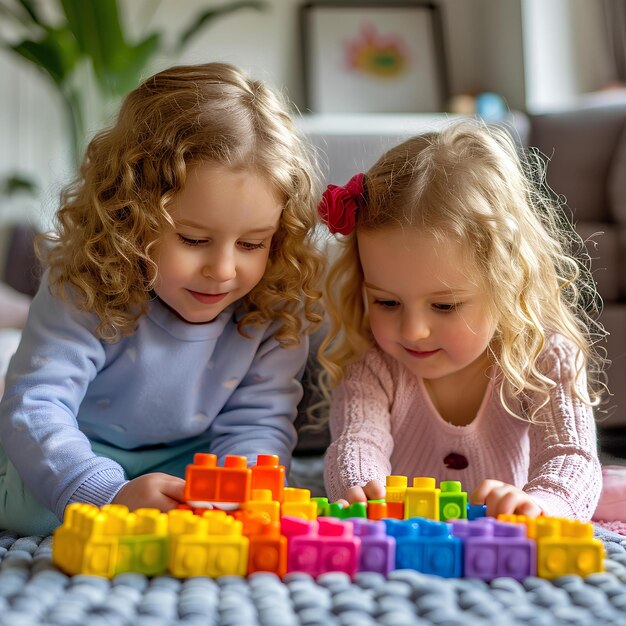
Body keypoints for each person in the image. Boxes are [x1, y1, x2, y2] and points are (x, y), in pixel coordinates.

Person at [0, 62, 324, 536]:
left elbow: (259, 424)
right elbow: (37, 403)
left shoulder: (273, 300)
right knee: (34, 511)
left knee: (263, 491)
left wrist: (242, 493)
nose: (224, 270)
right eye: (193, 240)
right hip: (80, 441)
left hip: (189, 452)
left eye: (253, 244)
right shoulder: (84, 281)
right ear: (128, 215)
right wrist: (107, 495)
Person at [319, 120, 605, 520]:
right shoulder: (373, 363)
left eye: (445, 306)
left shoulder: (544, 356)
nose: (413, 331)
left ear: (507, 285)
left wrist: (542, 505)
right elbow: (356, 441)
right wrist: (362, 488)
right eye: (386, 302)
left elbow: (570, 454)